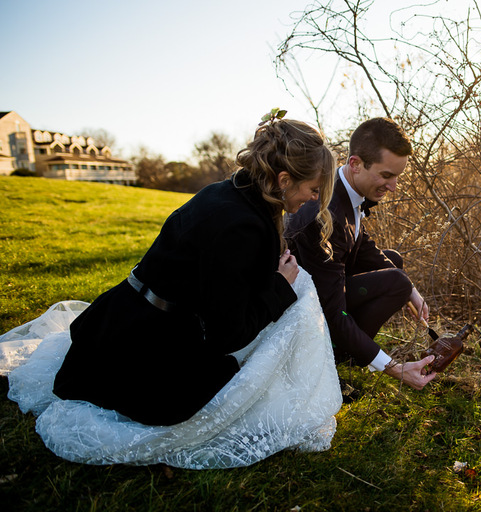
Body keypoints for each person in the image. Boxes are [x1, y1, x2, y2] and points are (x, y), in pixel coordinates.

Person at [0, 115, 343, 469]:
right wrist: (279, 289)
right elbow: (229, 335)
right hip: (145, 355)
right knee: (231, 373)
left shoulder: (226, 192)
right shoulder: (242, 228)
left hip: (118, 322)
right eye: (313, 189)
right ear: (284, 180)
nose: (314, 199)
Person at [285, 117, 436, 391]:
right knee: (396, 281)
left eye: (397, 176)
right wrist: (394, 368)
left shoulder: (347, 191)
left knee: (396, 266)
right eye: (387, 175)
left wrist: (412, 290)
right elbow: (331, 311)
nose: (393, 187)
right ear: (355, 164)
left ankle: (349, 351)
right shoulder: (324, 214)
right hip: (299, 311)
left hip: (325, 289)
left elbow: (362, 244)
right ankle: (335, 359)